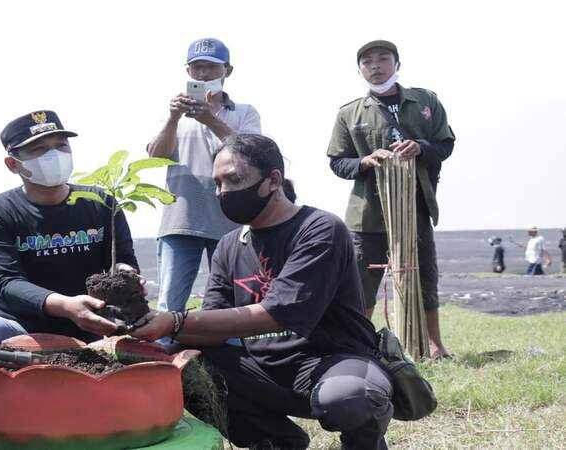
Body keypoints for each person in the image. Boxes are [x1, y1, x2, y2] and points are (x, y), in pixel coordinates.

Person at [132, 135, 393, 450]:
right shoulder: (230, 245)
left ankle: (365, 444)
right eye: (217, 183)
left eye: (233, 179)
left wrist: (175, 320)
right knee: (181, 366)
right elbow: (212, 325)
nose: (223, 192)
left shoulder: (319, 229)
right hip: (264, 370)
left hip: (331, 362)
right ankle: (275, 440)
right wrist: (144, 331)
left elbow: (277, 314)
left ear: (273, 180)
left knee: (351, 398)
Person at [0, 111, 140, 345]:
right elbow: (6, 281)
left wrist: (127, 275)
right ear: (13, 164)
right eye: (38, 149)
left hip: (98, 317)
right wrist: (66, 306)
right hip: (21, 325)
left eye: (61, 146)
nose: (54, 155)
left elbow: (122, 258)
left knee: (163, 344)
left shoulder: (101, 202)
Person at [326, 39, 455, 359]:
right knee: (361, 282)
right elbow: (338, 162)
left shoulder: (425, 102)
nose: (376, 65)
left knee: (424, 273)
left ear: (397, 64)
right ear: (360, 70)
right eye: (368, 61)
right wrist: (365, 161)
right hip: (367, 213)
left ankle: (434, 345)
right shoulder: (350, 113)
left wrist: (420, 147)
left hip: (415, 208)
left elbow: (445, 144)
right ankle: (356, 346)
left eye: (383, 58)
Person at [148, 37, 262, 315]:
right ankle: (165, 351)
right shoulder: (173, 114)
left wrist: (210, 119)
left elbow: (253, 156)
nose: (203, 73)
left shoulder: (244, 112)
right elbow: (155, 156)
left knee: (232, 298)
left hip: (230, 220)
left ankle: (232, 352)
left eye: (211, 67)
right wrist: (174, 118)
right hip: (181, 218)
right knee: (170, 300)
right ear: (188, 72)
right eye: (197, 67)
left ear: (227, 71)